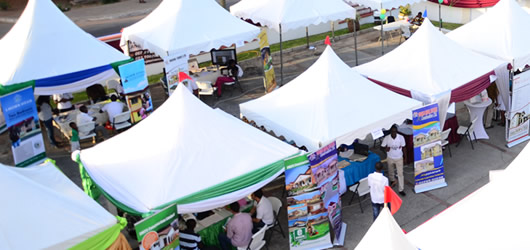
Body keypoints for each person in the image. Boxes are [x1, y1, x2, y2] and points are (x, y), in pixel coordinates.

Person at [381, 124, 407, 196]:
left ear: (397, 132)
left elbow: (404, 148)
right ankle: (392, 180)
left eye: (395, 132)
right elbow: (382, 147)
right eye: (392, 132)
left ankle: (401, 189)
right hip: (390, 157)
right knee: (390, 171)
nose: (393, 133)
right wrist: (385, 149)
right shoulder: (386, 138)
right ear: (390, 132)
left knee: (400, 173)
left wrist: (405, 158)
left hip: (399, 158)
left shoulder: (401, 138)